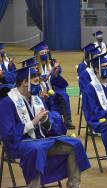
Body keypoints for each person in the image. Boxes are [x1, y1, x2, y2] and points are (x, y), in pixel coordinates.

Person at [0, 58, 90, 187]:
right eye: (35, 82)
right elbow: (7, 135)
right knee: (37, 149)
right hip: (20, 145)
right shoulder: (7, 103)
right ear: (25, 82)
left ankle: (74, 185)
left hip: (41, 141)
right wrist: (33, 122)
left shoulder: (37, 100)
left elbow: (50, 131)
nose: (39, 85)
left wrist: (46, 121)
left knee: (74, 144)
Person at [31, 42, 75, 130]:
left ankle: (67, 121)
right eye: (42, 53)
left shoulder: (50, 64)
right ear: (37, 55)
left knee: (64, 96)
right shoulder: (34, 67)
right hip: (41, 92)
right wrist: (52, 71)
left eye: (45, 53)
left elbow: (54, 79)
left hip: (52, 90)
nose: (44, 55)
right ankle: (51, 122)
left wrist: (55, 73)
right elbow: (42, 79)